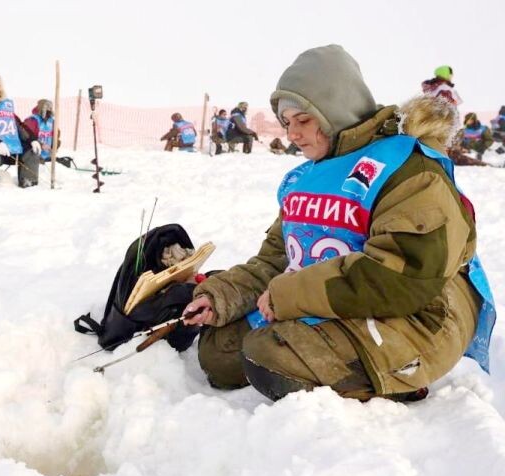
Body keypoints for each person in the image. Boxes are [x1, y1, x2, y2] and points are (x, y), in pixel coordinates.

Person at [183, 45, 494, 403]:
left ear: (335, 110)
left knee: (269, 354)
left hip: (419, 313)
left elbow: (401, 277)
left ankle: (397, 379)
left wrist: (287, 296)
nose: (292, 134)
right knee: (221, 354)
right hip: (338, 298)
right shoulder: (306, 178)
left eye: (303, 120)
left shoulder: (409, 168)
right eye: (287, 123)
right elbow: (276, 258)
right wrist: (220, 296)